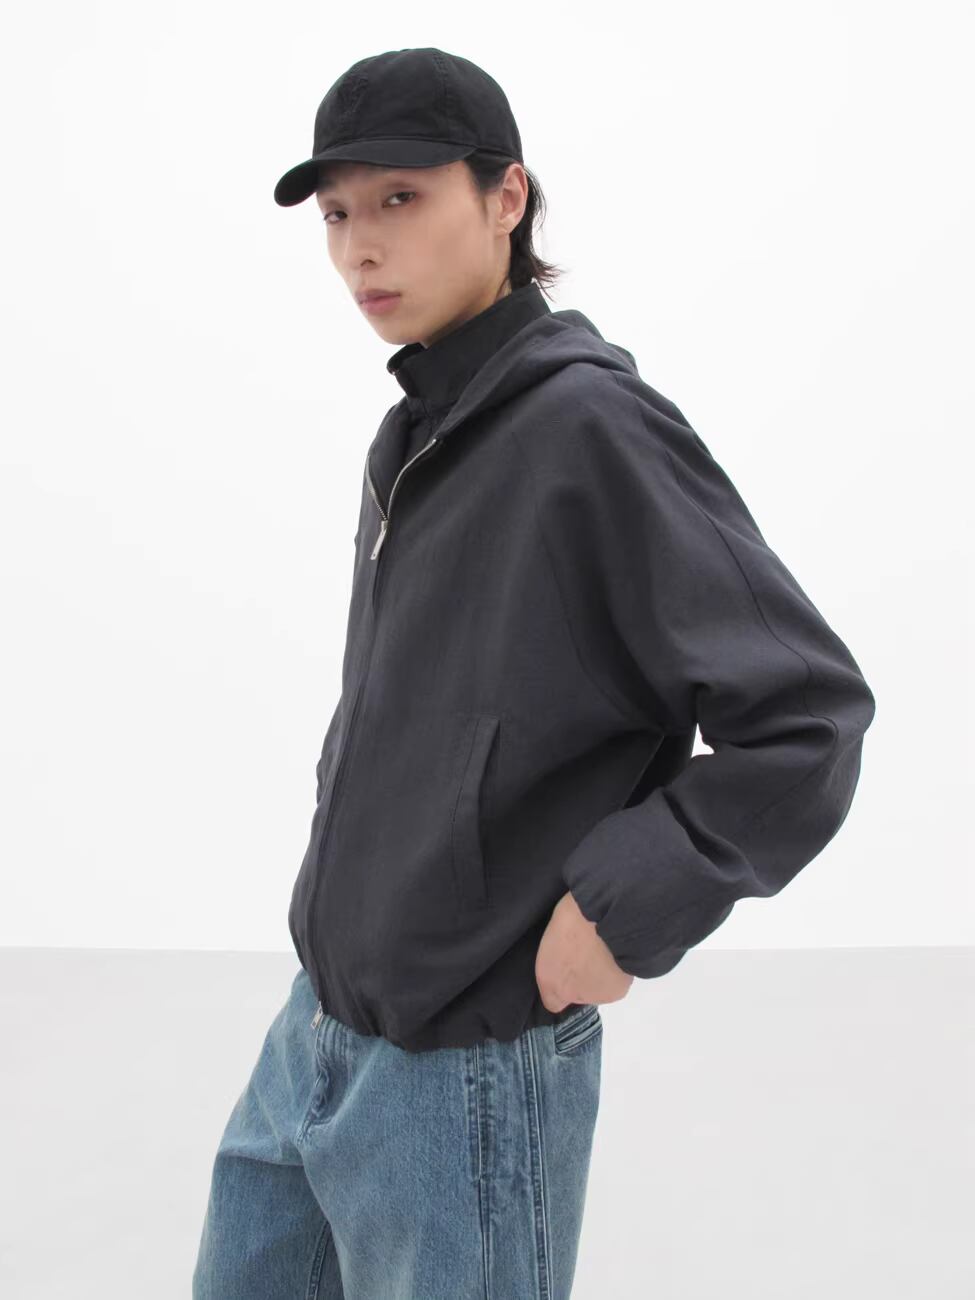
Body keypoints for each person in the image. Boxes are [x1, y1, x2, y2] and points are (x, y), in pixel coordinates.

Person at [192, 47, 876, 1300]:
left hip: (467, 1067)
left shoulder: (590, 426)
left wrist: (623, 907)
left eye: (401, 198)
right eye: (337, 214)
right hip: (317, 1033)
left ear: (507, 196)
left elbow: (808, 717)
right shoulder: (416, 433)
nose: (360, 247)